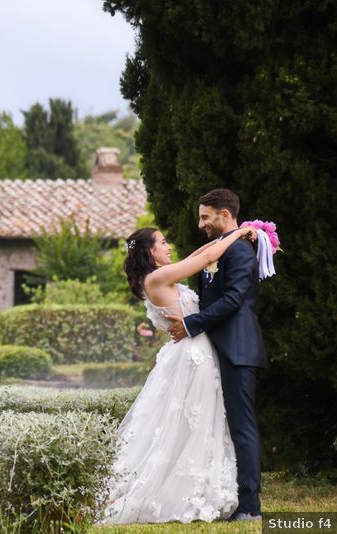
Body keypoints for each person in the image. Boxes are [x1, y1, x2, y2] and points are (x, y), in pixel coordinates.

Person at [100, 221, 256, 524]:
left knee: (192, 423)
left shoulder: (158, 276)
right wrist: (237, 234)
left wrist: (228, 235)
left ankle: (198, 487)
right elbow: (199, 262)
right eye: (162, 242)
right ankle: (187, 493)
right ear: (150, 252)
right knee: (193, 423)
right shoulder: (157, 278)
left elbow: (198, 255)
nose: (168, 245)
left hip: (193, 353)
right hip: (192, 358)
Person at [166, 188, 267, 521]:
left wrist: (191, 324)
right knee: (224, 427)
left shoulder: (239, 251)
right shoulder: (220, 248)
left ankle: (251, 507)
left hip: (237, 349)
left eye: (205, 217)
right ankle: (224, 496)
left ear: (225, 215)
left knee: (242, 427)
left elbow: (234, 299)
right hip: (217, 349)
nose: (200, 224)